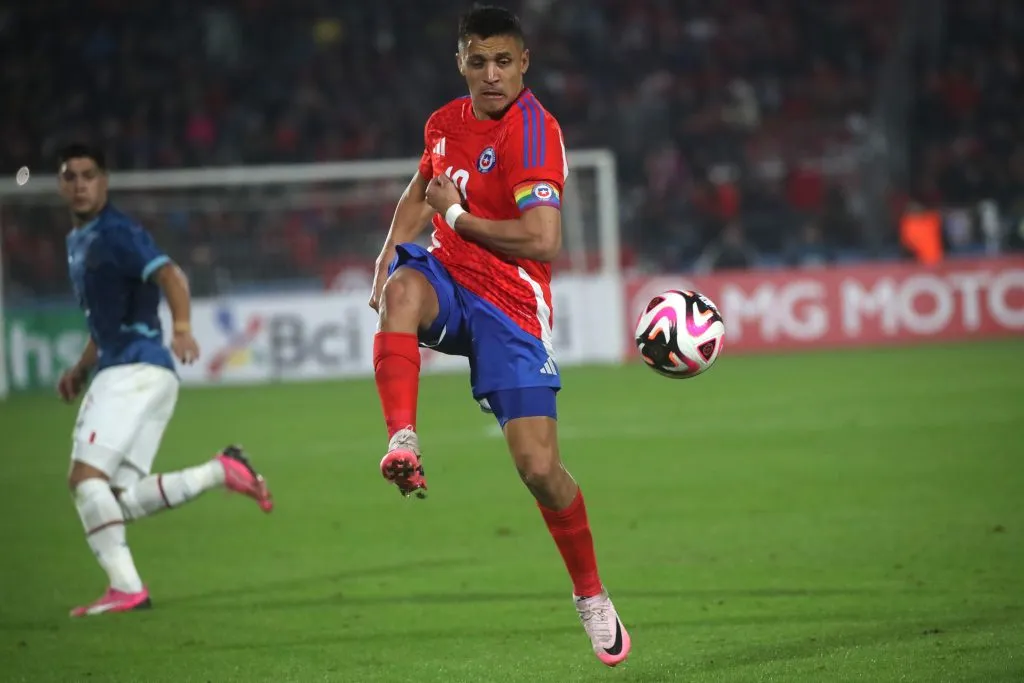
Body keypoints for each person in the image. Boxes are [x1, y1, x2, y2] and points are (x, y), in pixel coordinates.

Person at [367, 6, 630, 667]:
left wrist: (456, 212)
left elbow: (543, 239)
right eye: (478, 61)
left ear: (524, 63)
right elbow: (422, 186)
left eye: (503, 61)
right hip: (449, 280)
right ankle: (401, 436)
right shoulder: (443, 123)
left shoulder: (535, 133)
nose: (491, 75)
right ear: (461, 62)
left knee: (540, 469)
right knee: (402, 290)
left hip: (514, 305)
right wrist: (389, 251)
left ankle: (590, 592)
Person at [55, 143, 274, 617]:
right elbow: (106, 322)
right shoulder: (80, 240)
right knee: (117, 499)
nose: (79, 184)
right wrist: (80, 368)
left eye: (88, 175)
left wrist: (180, 328)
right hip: (140, 370)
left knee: (84, 479)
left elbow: (171, 276)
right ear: (61, 185)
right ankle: (221, 470)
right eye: (70, 177)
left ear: (104, 181)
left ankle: (126, 588)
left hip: (133, 370)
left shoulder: (116, 233)